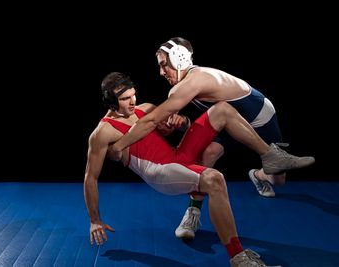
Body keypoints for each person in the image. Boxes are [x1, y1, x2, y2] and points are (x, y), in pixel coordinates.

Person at [108, 37, 315, 240]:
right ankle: (193, 212)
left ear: (179, 58)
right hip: (229, 120)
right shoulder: (186, 83)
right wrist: (184, 124)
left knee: (278, 180)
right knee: (209, 152)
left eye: (164, 65)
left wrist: (119, 145)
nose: (161, 72)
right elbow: (211, 119)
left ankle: (260, 175)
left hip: (261, 119)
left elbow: (151, 121)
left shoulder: (193, 81)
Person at [84, 71, 297, 266]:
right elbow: (90, 178)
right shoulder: (103, 133)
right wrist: (95, 220)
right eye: (124, 99)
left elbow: (168, 129)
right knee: (215, 180)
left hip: (178, 156)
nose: (132, 102)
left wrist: (179, 123)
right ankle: (238, 257)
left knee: (221, 109)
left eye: (133, 95)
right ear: (111, 101)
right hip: (160, 172)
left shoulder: (145, 109)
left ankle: (270, 157)